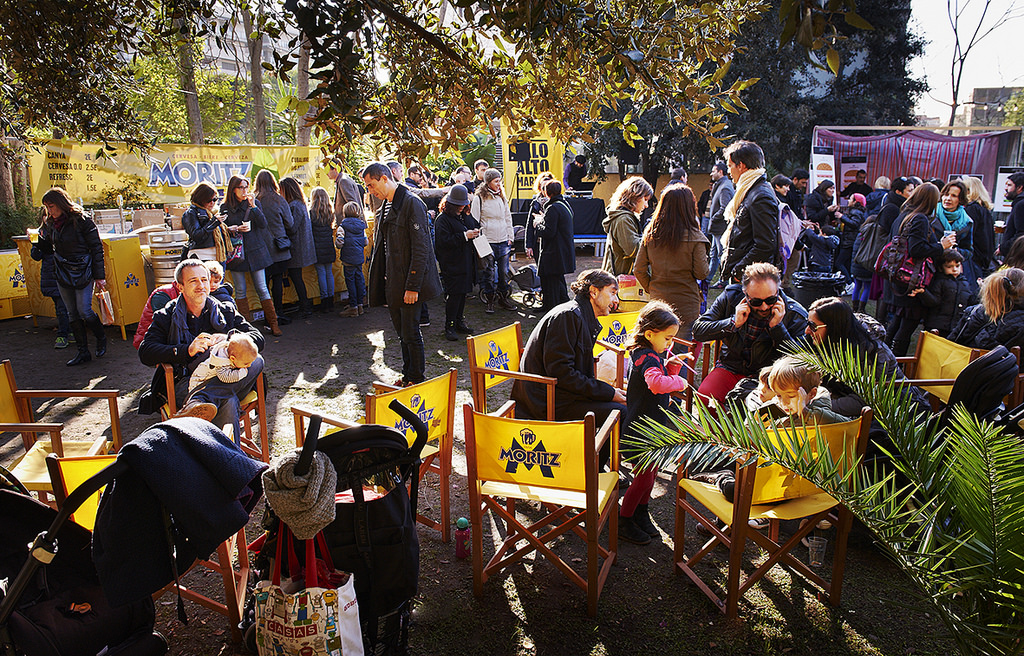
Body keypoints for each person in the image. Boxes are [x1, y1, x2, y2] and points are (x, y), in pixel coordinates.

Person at [138, 259, 265, 438]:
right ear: (180, 286)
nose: (201, 285)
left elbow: (258, 338)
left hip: (230, 375)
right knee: (227, 402)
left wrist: (231, 339)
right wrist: (185, 350)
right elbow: (146, 352)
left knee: (257, 360)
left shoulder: (224, 309)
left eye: (204, 280)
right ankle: (228, 463)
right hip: (187, 381)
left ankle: (200, 401)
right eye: (193, 281)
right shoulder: (166, 316)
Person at [511, 269, 626, 423]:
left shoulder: (580, 315)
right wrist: (607, 392)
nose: (616, 300)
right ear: (593, 292)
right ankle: (594, 448)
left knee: (625, 404)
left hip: (563, 394)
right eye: (612, 293)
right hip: (548, 401)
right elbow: (562, 373)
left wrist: (606, 392)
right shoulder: (567, 316)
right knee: (622, 412)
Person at [618, 301, 690, 545]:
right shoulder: (647, 358)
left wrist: (671, 366)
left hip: (651, 427)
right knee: (643, 478)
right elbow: (657, 384)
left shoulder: (646, 353)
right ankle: (624, 519)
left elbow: (655, 380)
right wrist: (679, 382)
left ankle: (641, 510)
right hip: (642, 430)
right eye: (668, 338)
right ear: (650, 334)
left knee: (650, 475)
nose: (670, 344)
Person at [364, 162, 442, 386]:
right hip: (394, 283)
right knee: (402, 335)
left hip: (408, 284)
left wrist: (413, 286)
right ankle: (408, 375)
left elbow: (422, 248)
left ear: (384, 178)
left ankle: (416, 378)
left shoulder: (411, 203)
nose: (370, 190)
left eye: (371, 184)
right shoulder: (387, 205)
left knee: (411, 333)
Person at [691, 262, 809, 406]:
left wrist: (777, 328)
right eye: (756, 302)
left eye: (770, 300)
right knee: (705, 399)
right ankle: (717, 430)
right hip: (731, 367)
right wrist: (733, 323)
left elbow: (800, 358)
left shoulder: (794, 313)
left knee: (756, 409)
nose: (764, 306)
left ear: (778, 291)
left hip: (770, 377)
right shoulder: (731, 297)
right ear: (745, 294)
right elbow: (698, 331)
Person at [804, 296, 928, 417]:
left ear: (834, 328)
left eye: (813, 326)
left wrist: (812, 405)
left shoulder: (870, 353)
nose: (807, 331)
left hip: (899, 415)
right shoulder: (832, 342)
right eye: (808, 323)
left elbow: (862, 401)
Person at [35, 187, 107, 366]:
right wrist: (38, 240)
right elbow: (46, 249)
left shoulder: (82, 220)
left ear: (61, 203)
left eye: (51, 206)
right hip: (62, 271)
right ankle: (83, 352)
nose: (49, 210)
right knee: (71, 312)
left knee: (84, 310)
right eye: (47, 207)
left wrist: (99, 276)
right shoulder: (50, 223)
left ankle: (101, 338)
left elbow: (97, 248)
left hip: (83, 270)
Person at [633, 184, 710, 340]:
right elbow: (702, 272)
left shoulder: (651, 234)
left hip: (658, 300)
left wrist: (652, 287)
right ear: (689, 206)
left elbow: (639, 269)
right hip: (686, 304)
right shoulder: (695, 237)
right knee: (680, 355)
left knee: (657, 348)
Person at [884, 183, 954, 357]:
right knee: (907, 325)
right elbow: (917, 249)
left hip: (899, 276)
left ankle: (883, 360)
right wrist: (941, 246)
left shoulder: (904, 215)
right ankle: (895, 364)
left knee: (898, 323)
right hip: (912, 278)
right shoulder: (920, 218)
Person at [220, 175, 278, 335]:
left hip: (256, 251)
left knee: (262, 288)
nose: (245, 190)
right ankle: (246, 328)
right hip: (236, 253)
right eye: (241, 187)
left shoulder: (254, 203)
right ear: (233, 189)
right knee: (240, 290)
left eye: (247, 186)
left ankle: (274, 323)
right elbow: (221, 229)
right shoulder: (225, 207)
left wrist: (253, 206)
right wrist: (232, 229)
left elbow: (263, 224)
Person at [719, 140, 780, 283]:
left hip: (752, 281)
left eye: (730, 166)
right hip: (749, 277)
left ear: (741, 166)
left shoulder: (760, 195)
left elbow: (765, 245)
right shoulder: (751, 189)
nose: (728, 172)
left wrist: (738, 273)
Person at [433, 185, 480, 340]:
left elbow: (473, 224)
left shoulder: (461, 216)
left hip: (465, 262)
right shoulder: (443, 220)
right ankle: (450, 325)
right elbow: (443, 242)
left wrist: (473, 228)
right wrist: (464, 236)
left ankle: (459, 321)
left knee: (462, 294)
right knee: (454, 296)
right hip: (452, 264)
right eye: (459, 205)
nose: (462, 207)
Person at [949, 268, 1024, 360]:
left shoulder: (974, 311)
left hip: (960, 367)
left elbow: (951, 343)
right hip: (993, 372)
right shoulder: (1019, 322)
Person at [471, 168, 516, 313]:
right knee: (488, 272)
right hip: (487, 240)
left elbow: (508, 218)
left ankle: (503, 299)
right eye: (496, 181)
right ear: (488, 182)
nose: (499, 184)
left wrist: (510, 237)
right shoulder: (479, 198)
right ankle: (490, 300)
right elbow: (474, 221)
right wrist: (480, 240)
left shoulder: (502, 197)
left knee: (503, 272)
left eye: (499, 181)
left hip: (503, 240)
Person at [254, 170, 293, 328]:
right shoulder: (278, 199)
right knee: (277, 281)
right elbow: (289, 222)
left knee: (263, 284)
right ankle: (279, 314)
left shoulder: (254, 200)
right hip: (279, 247)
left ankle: (268, 316)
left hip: (260, 248)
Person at [533, 179, 575, 312]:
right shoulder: (564, 205)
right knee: (558, 281)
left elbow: (548, 232)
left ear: (546, 193)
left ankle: (551, 308)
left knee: (550, 283)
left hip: (553, 252)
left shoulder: (553, 208)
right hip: (562, 250)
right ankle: (561, 305)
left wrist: (537, 224)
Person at [277, 177, 316, 318]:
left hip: (297, 248)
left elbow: (292, 228)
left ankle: (305, 307)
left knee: (296, 277)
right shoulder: (300, 204)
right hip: (301, 247)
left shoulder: (294, 205)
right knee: (296, 277)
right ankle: (305, 306)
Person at [30, 225, 71, 350]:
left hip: (63, 274)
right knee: (61, 307)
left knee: (62, 308)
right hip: (51, 275)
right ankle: (68, 331)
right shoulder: (41, 232)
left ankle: (63, 334)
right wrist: (36, 241)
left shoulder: (64, 229)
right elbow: (36, 256)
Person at [602, 177, 654, 276]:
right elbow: (634, 250)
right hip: (620, 279)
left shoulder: (624, 217)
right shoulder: (623, 219)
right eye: (645, 199)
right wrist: (652, 235)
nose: (646, 205)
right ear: (635, 196)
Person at [919, 249, 975, 338]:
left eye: (957, 266)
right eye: (949, 267)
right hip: (938, 324)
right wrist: (923, 293)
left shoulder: (964, 283)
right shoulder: (940, 281)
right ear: (941, 267)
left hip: (955, 325)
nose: (954, 269)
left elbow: (970, 301)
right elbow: (933, 301)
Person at [186, 332, 259, 399]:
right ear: (232, 358)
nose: (249, 365)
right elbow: (225, 377)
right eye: (246, 363)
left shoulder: (231, 351)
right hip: (199, 384)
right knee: (225, 400)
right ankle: (197, 402)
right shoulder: (221, 362)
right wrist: (242, 372)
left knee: (259, 361)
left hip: (211, 383)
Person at [936, 180, 976, 291]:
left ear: (960, 200)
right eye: (946, 194)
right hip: (932, 269)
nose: (948, 198)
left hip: (951, 275)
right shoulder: (931, 215)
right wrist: (940, 246)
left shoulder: (967, 222)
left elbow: (969, 251)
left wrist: (956, 251)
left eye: (954, 196)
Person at [308, 187, 338, 312]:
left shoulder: (311, 212)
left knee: (321, 273)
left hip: (317, 246)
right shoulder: (330, 212)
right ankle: (331, 300)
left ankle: (324, 299)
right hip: (328, 245)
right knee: (329, 272)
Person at [336, 201, 368, 317]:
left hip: (348, 259)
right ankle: (360, 305)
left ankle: (353, 306)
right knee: (359, 280)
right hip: (359, 258)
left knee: (351, 282)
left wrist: (338, 243)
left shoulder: (342, 226)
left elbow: (339, 243)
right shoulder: (361, 226)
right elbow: (365, 242)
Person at [961, 175, 996, 279]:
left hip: (974, 256)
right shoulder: (984, 209)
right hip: (984, 256)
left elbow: (968, 233)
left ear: (968, 191)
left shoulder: (972, 209)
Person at [707, 161, 734, 286]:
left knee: (722, 255)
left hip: (721, 228)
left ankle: (724, 280)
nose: (711, 173)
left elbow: (725, 208)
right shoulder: (720, 185)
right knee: (714, 255)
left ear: (720, 172)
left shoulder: (725, 187)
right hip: (716, 228)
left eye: (714, 171)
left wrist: (713, 218)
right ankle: (708, 280)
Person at [181, 182, 223, 263]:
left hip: (218, 255)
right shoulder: (191, 213)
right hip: (201, 255)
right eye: (209, 200)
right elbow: (196, 235)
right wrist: (214, 222)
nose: (212, 203)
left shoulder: (213, 213)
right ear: (201, 199)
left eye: (215, 199)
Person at [836, 192, 867, 283]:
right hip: (850, 240)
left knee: (839, 263)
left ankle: (849, 282)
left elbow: (854, 224)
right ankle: (849, 282)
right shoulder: (856, 212)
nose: (848, 200)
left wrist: (842, 217)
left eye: (850, 199)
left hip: (850, 241)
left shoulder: (856, 212)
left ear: (855, 202)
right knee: (847, 263)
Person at [524, 171, 555, 261]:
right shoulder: (536, 203)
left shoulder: (557, 203)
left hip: (552, 244)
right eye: (543, 187)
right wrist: (528, 246)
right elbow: (529, 225)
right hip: (538, 242)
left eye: (547, 186)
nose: (545, 189)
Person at [999, 174, 1024, 255]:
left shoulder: (1020, 205)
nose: (1006, 188)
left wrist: (1003, 248)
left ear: (1019, 188)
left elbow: (1021, 234)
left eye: (1009, 185)